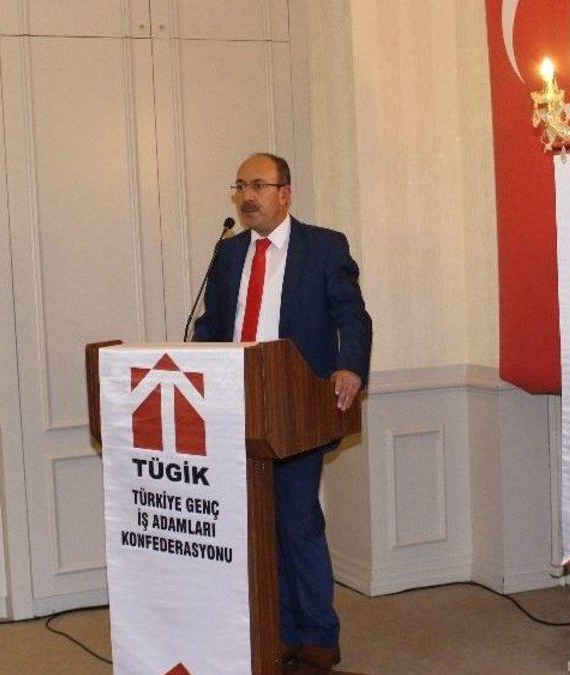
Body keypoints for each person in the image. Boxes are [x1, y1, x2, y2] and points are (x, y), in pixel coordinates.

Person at [192, 153, 372, 673]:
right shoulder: (228, 254)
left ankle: (317, 636)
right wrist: (192, 364)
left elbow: (352, 314)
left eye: (258, 186)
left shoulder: (324, 246)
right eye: (240, 186)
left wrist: (350, 367)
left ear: (285, 193)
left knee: (296, 522)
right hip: (236, 405)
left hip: (296, 407)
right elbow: (213, 325)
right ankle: (279, 631)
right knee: (258, 527)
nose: (247, 197)